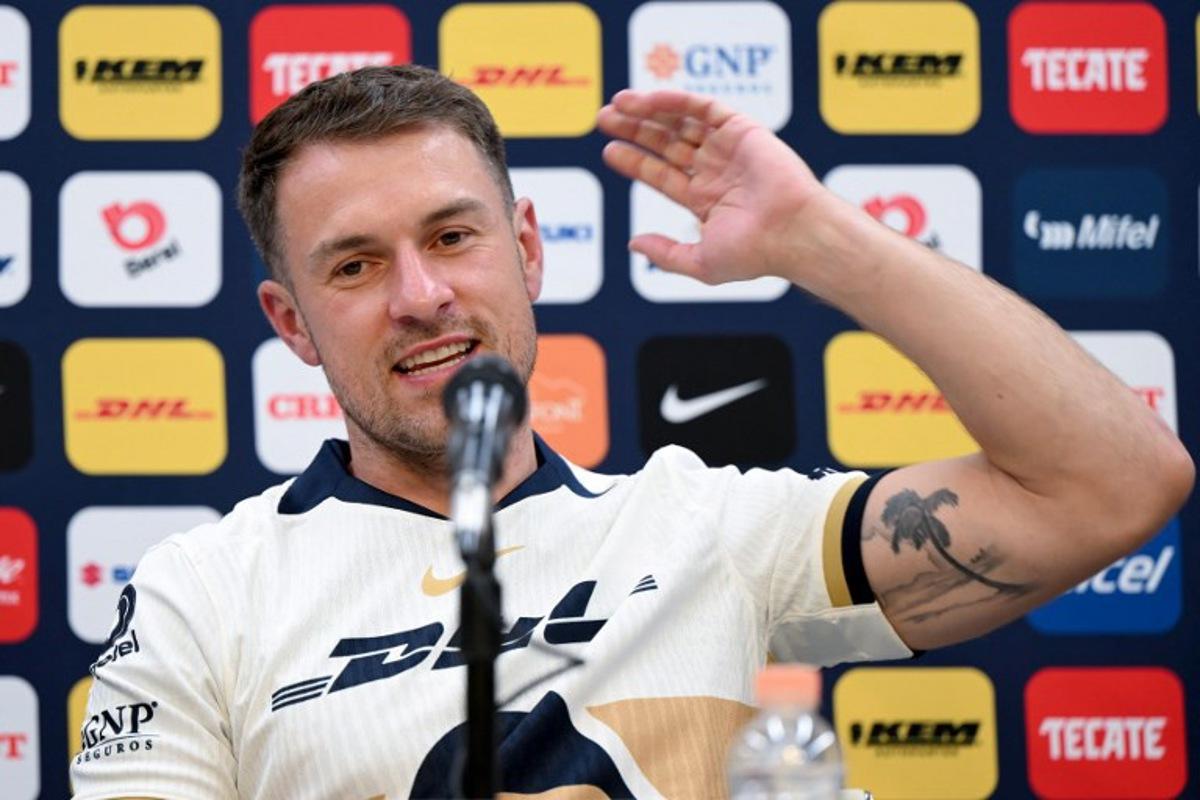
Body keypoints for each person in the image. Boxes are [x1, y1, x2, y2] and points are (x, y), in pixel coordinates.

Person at [71, 65, 1193, 799]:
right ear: (291, 323)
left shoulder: (701, 523)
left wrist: (818, 240)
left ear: (529, 249)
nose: (420, 295)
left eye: (453, 236)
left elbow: (1111, 485)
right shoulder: (201, 589)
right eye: (355, 266)